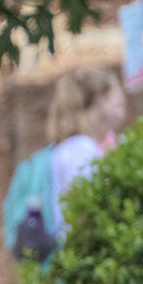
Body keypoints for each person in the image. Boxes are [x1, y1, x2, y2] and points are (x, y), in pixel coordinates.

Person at [43, 66, 126, 242]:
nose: (122, 99)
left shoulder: (87, 145)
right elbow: (83, 213)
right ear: (99, 100)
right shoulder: (81, 149)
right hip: (83, 250)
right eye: (116, 96)